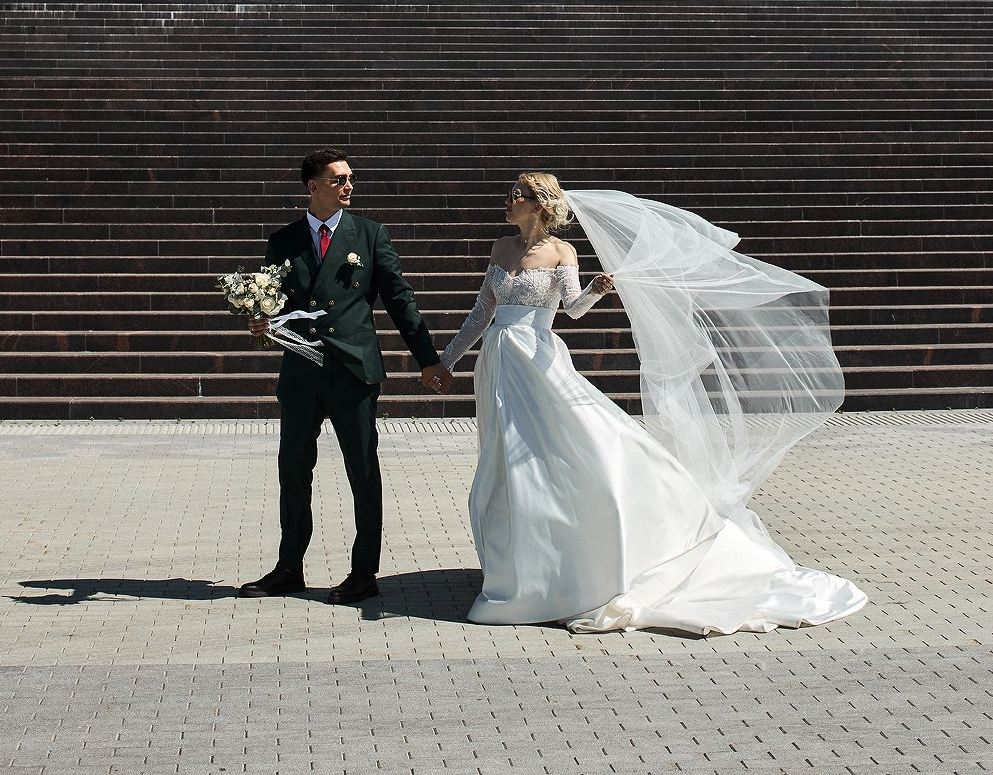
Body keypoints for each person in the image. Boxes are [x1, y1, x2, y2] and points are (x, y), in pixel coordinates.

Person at [440, 172, 867, 634]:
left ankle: (591, 556)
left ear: (539, 204)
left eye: (516, 196)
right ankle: (527, 568)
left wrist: (596, 292)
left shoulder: (563, 252)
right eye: (509, 195)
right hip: (500, 363)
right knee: (508, 462)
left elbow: (572, 310)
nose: (507, 201)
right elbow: (481, 313)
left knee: (566, 450)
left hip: (539, 362)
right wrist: (445, 361)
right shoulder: (501, 249)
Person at [240, 150, 451, 605]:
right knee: (292, 468)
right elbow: (270, 299)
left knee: (362, 470)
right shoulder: (284, 240)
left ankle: (363, 572)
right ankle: (289, 568)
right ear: (312, 186)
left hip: (353, 370)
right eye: (337, 180)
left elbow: (400, 300)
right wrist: (260, 319)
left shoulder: (369, 234)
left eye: (349, 179)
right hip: (301, 369)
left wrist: (428, 359)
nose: (347, 186)